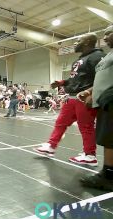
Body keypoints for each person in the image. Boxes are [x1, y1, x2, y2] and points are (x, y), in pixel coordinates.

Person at [35, 33, 105, 166]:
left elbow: (103, 77)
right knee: (60, 122)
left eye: (78, 40)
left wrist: (92, 93)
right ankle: (50, 147)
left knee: (86, 126)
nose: (74, 43)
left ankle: (90, 156)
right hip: (72, 98)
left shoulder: (97, 56)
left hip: (84, 98)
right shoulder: (81, 58)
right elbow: (75, 80)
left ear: (88, 41)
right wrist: (61, 82)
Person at [78, 25, 113, 191]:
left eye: (109, 33)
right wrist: (89, 91)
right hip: (104, 101)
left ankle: (109, 176)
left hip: (111, 100)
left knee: (110, 139)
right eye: (104, 34)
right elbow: (103, 78)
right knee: (107, 138)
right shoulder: (108, 56)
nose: (105, 37)